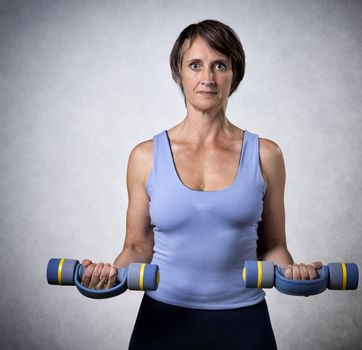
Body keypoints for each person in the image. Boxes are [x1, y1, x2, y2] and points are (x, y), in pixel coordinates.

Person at [81, 19, 322, 349]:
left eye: (219, 65)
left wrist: (294, 273)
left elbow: (273, 246)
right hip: (161, 323)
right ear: (180, 73)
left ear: (234, 74)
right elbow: (137, 247)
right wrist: (106, 276)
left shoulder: (267, 155)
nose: (207, 78)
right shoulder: (145, 156)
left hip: (244, 324)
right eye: (195, 65)